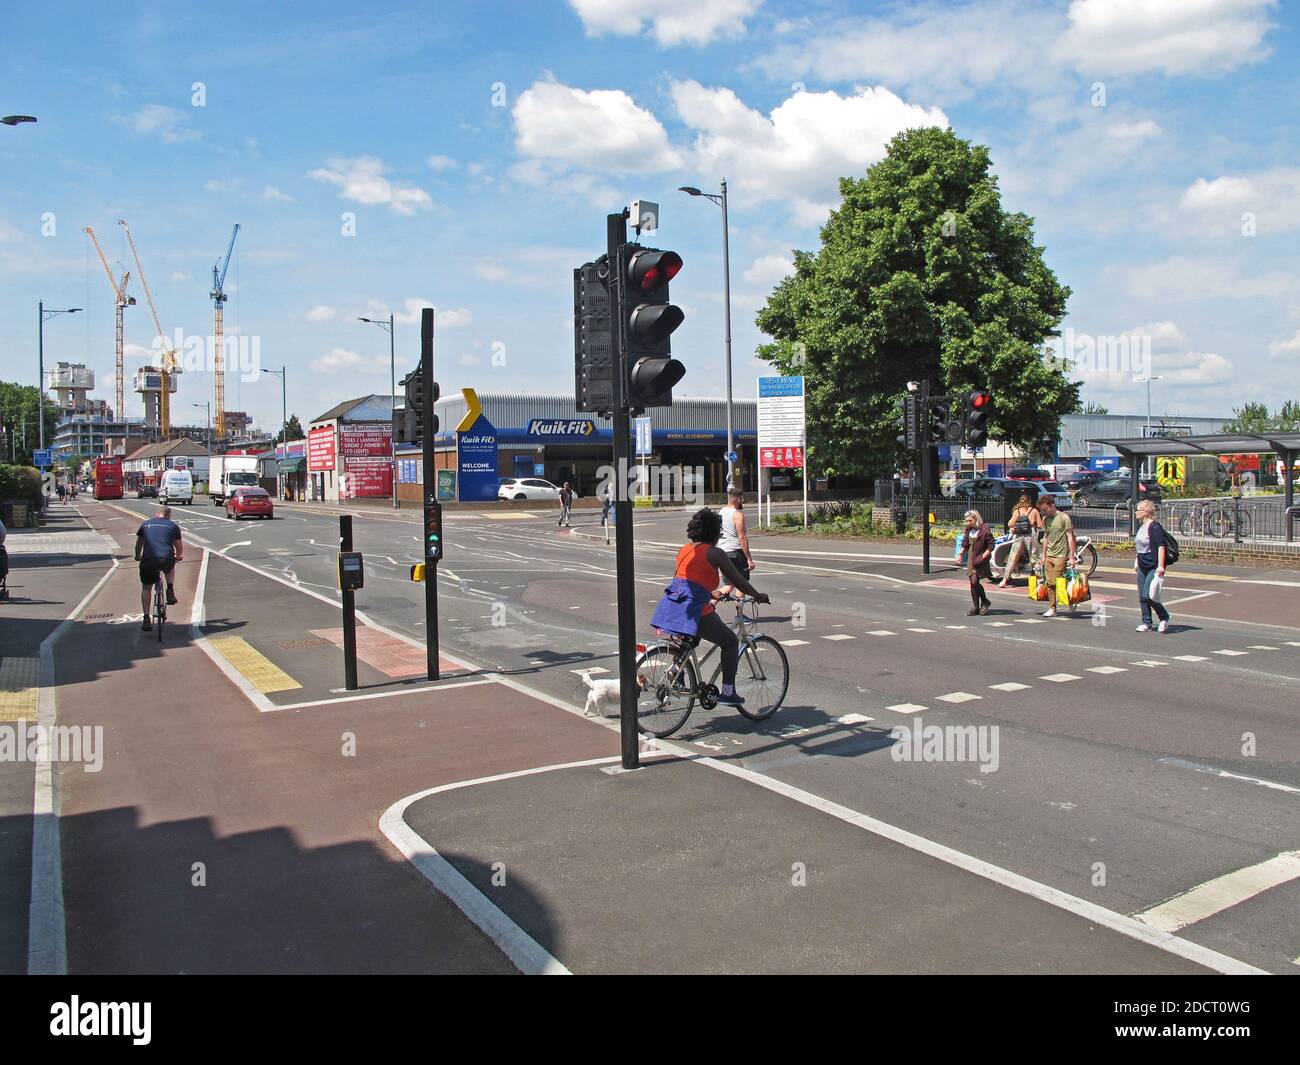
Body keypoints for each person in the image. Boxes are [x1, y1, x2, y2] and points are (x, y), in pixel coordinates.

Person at [650, 508, 769, 706]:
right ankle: (728, 692)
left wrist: (710, 593)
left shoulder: (685, 549)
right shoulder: (715, 553)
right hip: (695, 610)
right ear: (715, 532)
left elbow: (687, 581)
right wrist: (758, 595)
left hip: (674, 606)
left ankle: (675, 674)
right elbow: (738, 580)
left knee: (690, 642)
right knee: (730, 641)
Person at [135, 505, 184, 631]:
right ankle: (170, 590)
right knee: (170, 566)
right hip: (165, 559)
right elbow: (179, 547)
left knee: (146, 587)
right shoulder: (173, 526)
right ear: (169, 515)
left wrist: (137, 556)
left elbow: (139, 543)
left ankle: (146, 618)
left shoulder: (146, 524)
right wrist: (179, 556)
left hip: (148, 560)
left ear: (157, 514)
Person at [1134, 498, 1171, 633]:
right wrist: (1136, 561)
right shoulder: (1141, 526)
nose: (1136, 513)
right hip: (1142, 564)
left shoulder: (1154, 526)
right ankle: (1146, 622)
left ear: (1145, 512)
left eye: (1138, 510)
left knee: (1148, 595)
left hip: (1153, 565)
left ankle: (1164, 617)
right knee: (1141, 596)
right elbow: (1139, 546)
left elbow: (1161, 547)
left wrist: (1161, 566)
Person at [1037, 494, 1077, 618]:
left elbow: (1070, 537)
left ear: (1052, 505)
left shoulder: (1064, 518)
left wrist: (1071, 556)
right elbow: (1046, 537)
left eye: (1045, 509)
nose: (1043, 512)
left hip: (1061, 554)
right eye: (1042, 510)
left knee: (1056, 581)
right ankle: (1052, 608)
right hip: (1049, 554)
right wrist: (1043, 555)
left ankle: (1069, 599)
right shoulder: (1045, 519)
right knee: (1050, 583)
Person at [716, 486, 756, 597]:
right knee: (742, 583)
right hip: (735, 552)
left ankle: (710, 605)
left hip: (723, 552)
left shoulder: (721, 512)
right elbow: (742, 538)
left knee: (730, 584)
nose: (743, 501)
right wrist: (749, 559)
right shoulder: (737, 514)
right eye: (742, 499)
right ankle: (739, 614)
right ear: (738, 499)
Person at [997, 493, 1042, 587]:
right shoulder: (1034, 511)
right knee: (1034, 557)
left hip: (1019, 535)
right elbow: (1040, 525)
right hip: (1030, 534)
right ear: (1029, 501)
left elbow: (1010, 524)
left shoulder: (1017, 511)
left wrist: (1018, 525)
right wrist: (1032, 524)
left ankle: (1004, 580)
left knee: (1013, 557)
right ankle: (1040, 580)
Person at [961, 509, 994, 615]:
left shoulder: (985, 530)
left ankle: (984, 601)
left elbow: (991, 545)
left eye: (970, 521)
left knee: (974, 581)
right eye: (967, 521)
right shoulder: (969, 529)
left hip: (980, 558)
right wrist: (961, 554)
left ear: (976, 519)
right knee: (972, 583)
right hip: (971, 557)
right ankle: (976, 606)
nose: (968, 523)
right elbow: (965, 542)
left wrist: (983, 557)